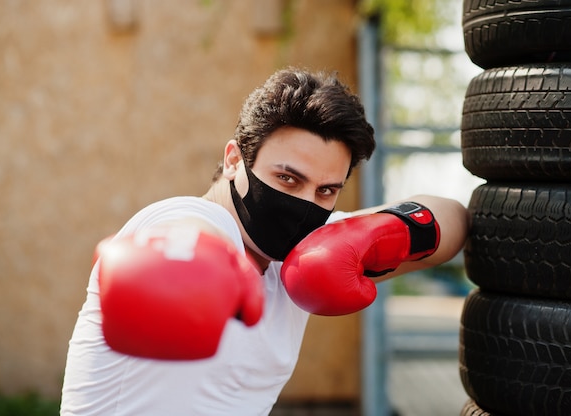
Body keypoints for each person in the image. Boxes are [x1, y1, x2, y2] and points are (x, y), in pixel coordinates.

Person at [60, 67, 469, 415]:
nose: (305, 204)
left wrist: (389, 231)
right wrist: (194, 270)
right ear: (234, 160)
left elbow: (453, 221)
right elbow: (184, 236)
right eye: (287, 179)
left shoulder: (309, 254)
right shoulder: (183, 220)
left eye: (327, 190)